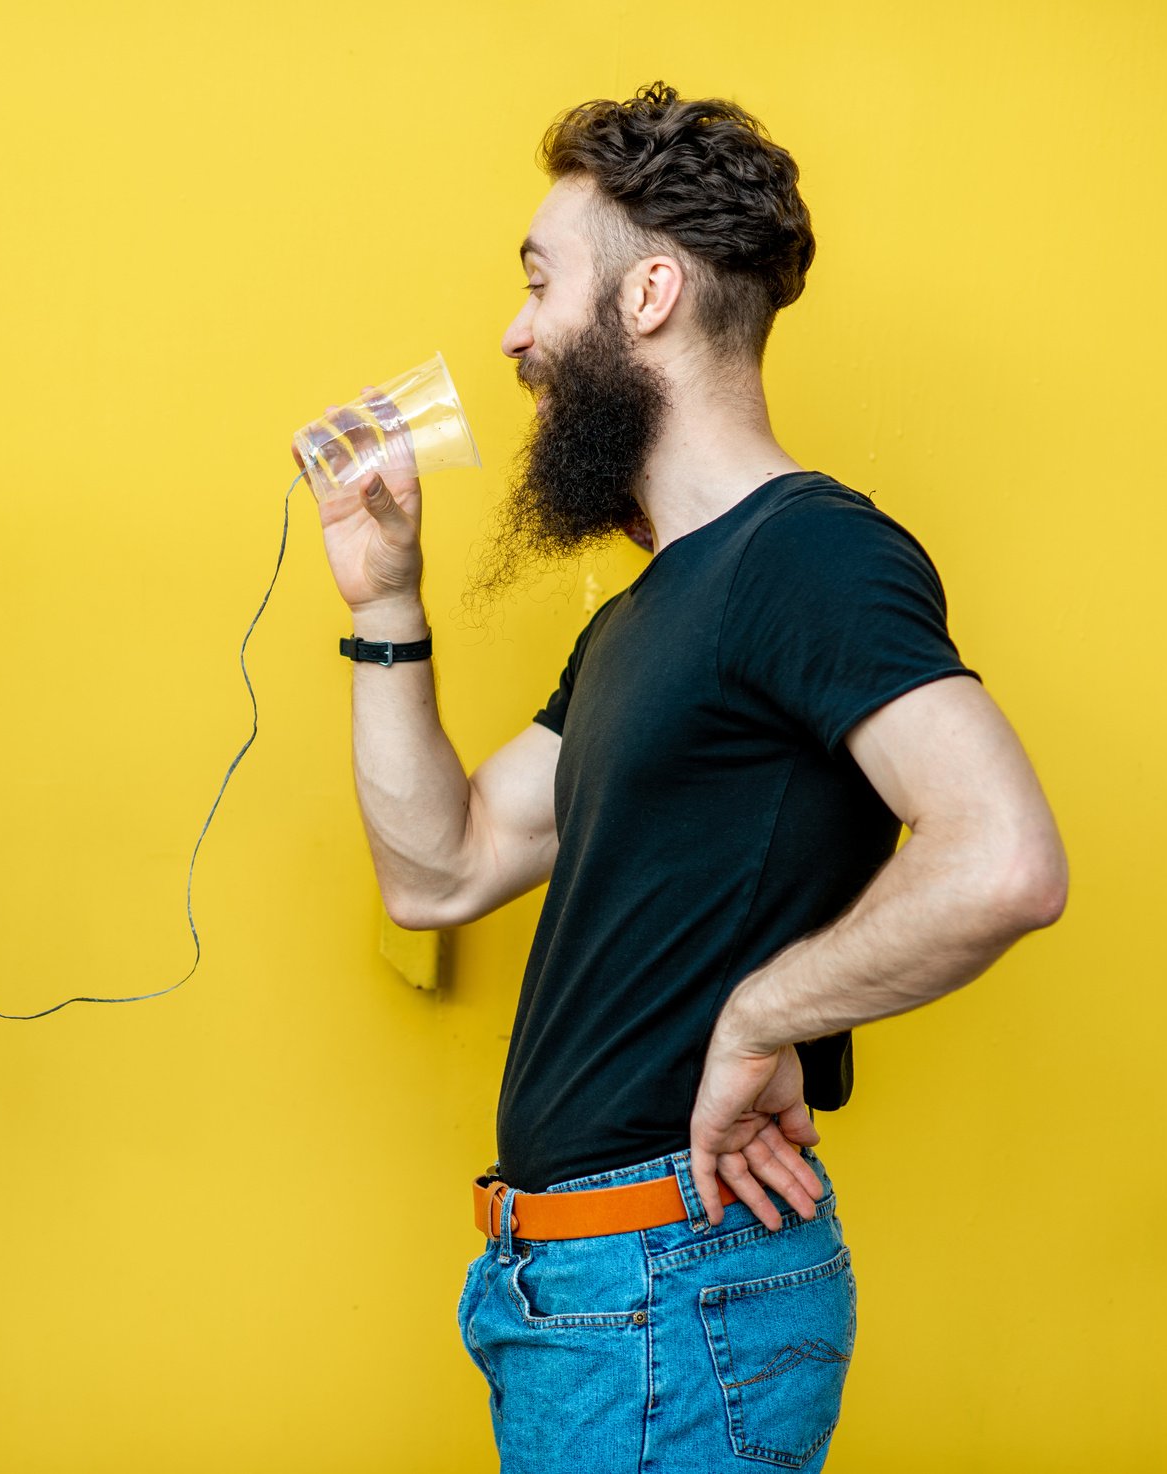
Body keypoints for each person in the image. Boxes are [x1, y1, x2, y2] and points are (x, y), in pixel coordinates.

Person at [310, 84, 1068, 1470]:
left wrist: (763, 1014)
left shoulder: (808, 553)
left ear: (650, 291)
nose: (515, 332)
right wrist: (387, 604)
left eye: (541, 282)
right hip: (592, 1298)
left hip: (671, 1286)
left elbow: (1001, 855)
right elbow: (442, 868)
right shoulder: (647, 614)